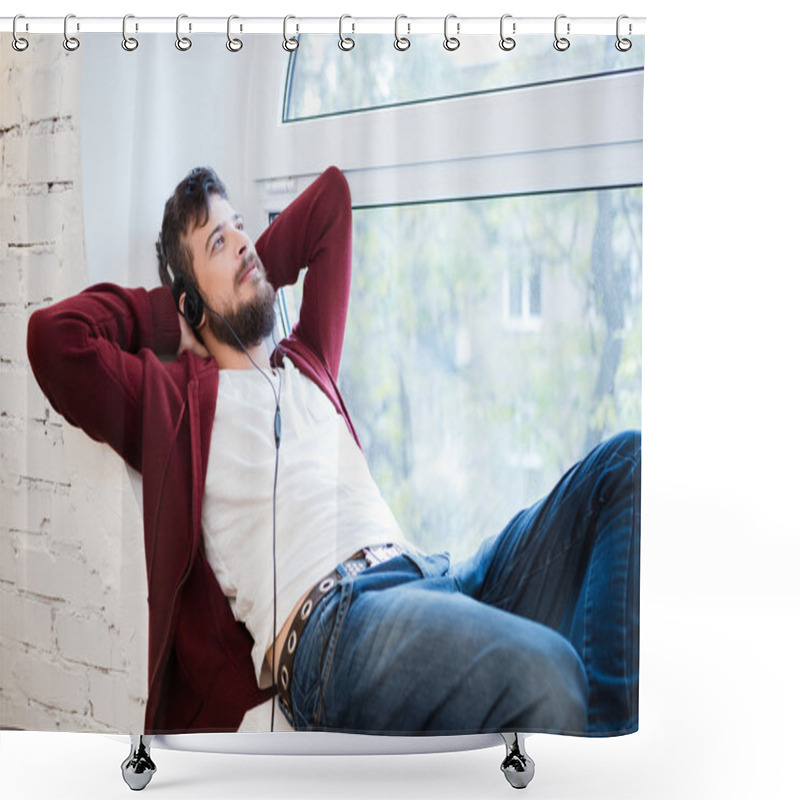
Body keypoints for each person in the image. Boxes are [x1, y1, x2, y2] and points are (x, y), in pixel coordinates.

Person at [27, 166, 640, 736]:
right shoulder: (177, 403)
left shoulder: (308, 359)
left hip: (436, 576)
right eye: (218, 241)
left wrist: (241, 259)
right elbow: (55, 341)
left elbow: (331, 203)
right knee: (549, 673)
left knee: (626, 465)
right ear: (190, 302)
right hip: (334, 625)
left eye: (242, 225)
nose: (243, 241)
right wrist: (170, 314)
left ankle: (608, 762)